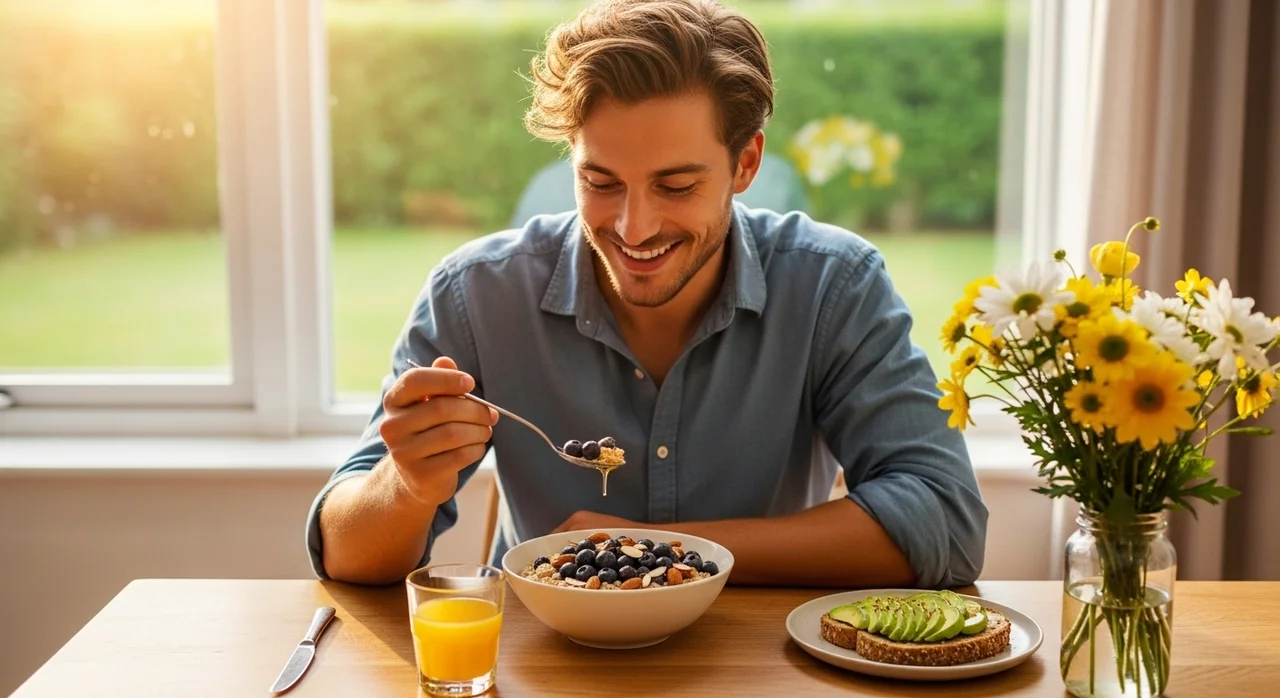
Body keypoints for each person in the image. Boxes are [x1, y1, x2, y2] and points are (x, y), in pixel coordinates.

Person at [306, 0, 987, 589]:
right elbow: (344, 556)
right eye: (601, 182)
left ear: (745, 163)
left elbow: (946, 521)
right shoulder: (477, 295)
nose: (634, 228)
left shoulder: (832, 286)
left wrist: (660, 551)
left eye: (676, 185)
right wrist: (407, 486)